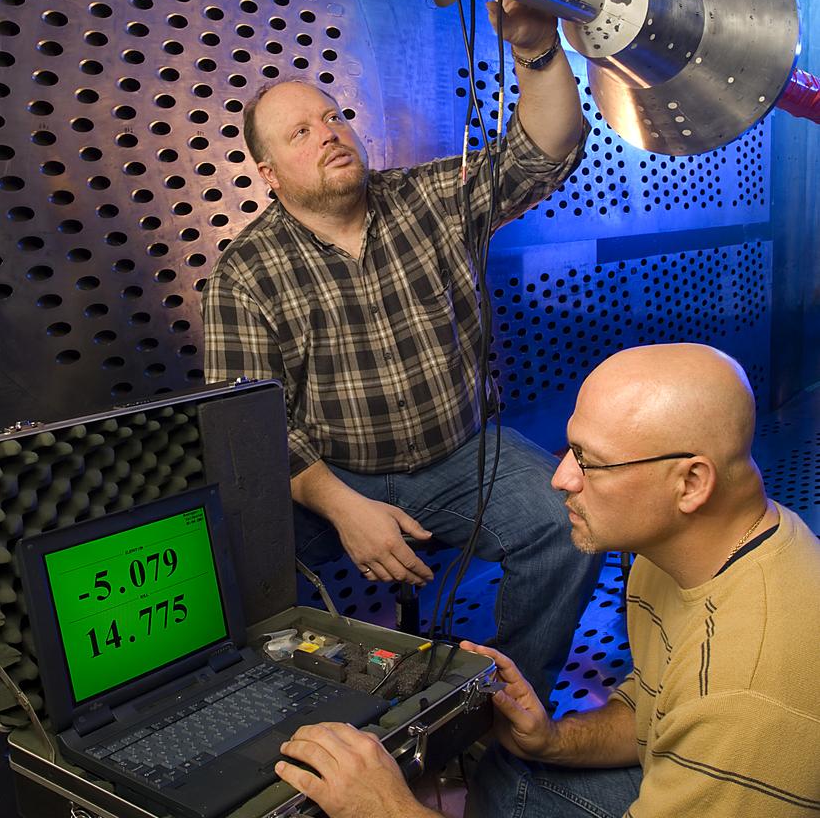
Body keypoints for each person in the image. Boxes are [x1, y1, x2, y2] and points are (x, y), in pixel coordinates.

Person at [203, 0, 599, 702]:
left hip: (459, 454)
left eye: (332, 116)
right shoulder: (244, 274)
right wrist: (345, 507)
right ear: (268, 174)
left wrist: (534, 45)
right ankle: (312, 720)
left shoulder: (427, 199)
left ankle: (501, 702)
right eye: (299, 133)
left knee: (568, 530)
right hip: (332, 477)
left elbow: (542, 152)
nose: (328, 132)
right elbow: (251, 429)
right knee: (240, 563)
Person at [273, 343, 820, 818]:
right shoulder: (678, 548)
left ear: (691, 482)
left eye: (590, 462)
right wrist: (552, 740)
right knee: (508, 775)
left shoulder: (745, 695)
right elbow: (654, 714)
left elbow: (707, 711)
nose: (560, 478)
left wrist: (385, 809)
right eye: (569, 450)